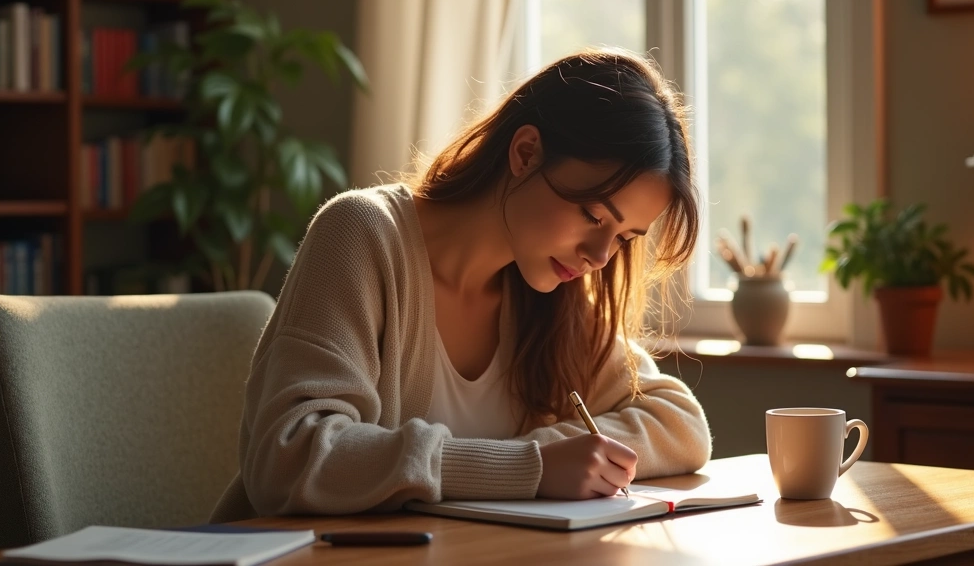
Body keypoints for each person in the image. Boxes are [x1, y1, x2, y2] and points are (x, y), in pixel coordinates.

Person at [210, 47, 711, 521]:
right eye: (592, 215)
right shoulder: (363, 234)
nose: (600, 257)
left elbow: (682, 424)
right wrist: (528, 468)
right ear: (526, 152)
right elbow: (290, 457)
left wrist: (538, 459)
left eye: (623, 238)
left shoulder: (550, 296)